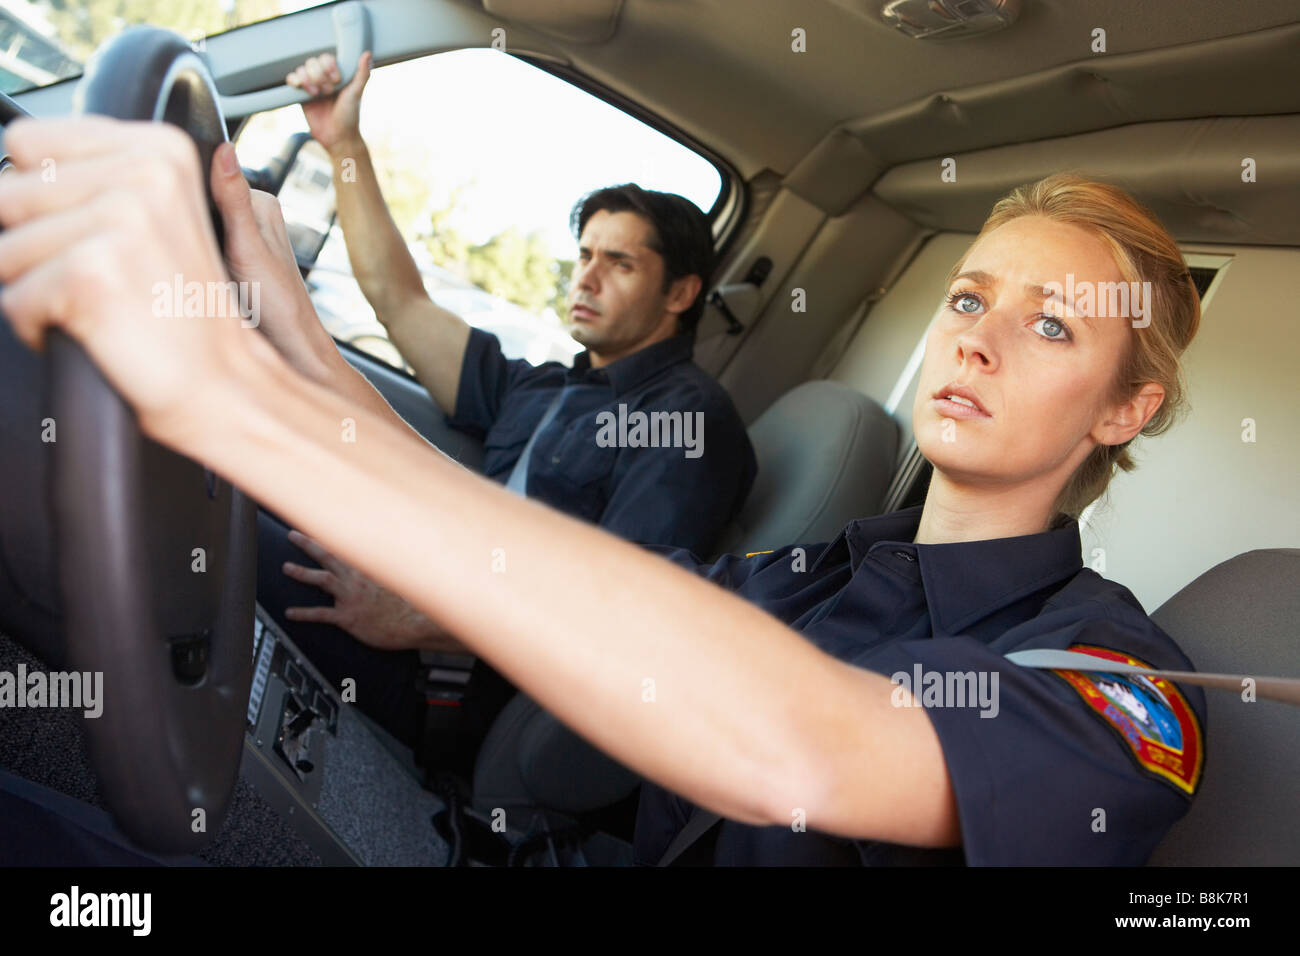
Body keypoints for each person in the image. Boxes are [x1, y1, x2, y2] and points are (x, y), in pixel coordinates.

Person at [0, 116, 1205, 865]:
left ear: (1123, 409)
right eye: (967, 297)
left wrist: (241, 408)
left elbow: (806, 747)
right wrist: (279, 321)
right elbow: (550, 563)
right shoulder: (831, 567)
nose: (978, 339)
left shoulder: (1122, 686)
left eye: (1050, 325)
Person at [256, 53, 756, 758]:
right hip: (412, 590)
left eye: (620, 263)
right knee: (230, 475)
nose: (586, 276)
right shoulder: (546, 387)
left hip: (449, 679)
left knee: (215, 522)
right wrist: (344, 146)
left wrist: (415, 614)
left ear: (680, 294)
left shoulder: (689, 421)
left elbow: (622, 612)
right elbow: (400, 300)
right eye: (585, 254)